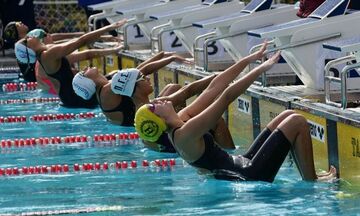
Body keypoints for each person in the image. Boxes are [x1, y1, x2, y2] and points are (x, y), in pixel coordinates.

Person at [134, 42, 337, 182]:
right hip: (249, 174)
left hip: (242, 163)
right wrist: (261, 69)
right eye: (155, 106)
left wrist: (250, 59)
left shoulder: (180, 122)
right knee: (297, 122)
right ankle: (313, 182)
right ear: (158, 119)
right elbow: (226, 97)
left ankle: (310, 176)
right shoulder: (185, 135)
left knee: (285, 116)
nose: (159, 100)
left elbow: (215, 87)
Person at [72, 51, 235, 152]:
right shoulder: (152, 107)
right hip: (176, 149)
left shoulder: (140, 112)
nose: (148, 78)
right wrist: (224, 75)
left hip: (163, 148)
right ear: (135, 88)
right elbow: (189, 90)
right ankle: (230, 153)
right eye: (143, 79)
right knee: (215, 121)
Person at [14, 19, 127, 108]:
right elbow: (81, 41)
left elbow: (74, 41)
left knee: (115, 76)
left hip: (69, 97)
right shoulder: (48, 55)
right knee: (120, 85)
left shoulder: (45, 54)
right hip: (75, 98)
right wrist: (109, 27)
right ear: (28, 49)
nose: (29, 37)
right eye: (26, 40)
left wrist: (108, 40)